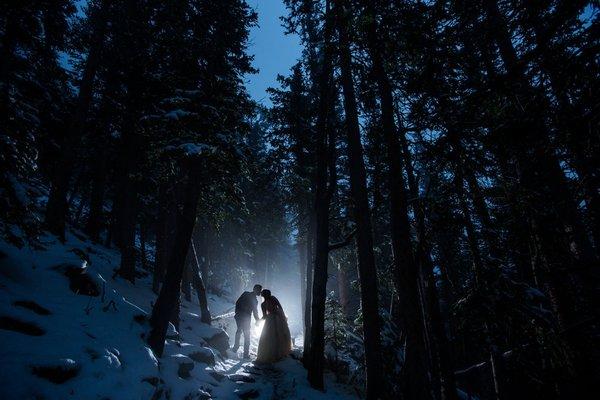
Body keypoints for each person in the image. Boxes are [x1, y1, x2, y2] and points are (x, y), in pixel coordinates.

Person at [256, 289, 292, 363]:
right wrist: (282, 316)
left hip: (272, 320)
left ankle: (275, 354)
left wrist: (259, 321)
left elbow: (265, 316)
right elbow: (280, 308)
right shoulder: (271, 299)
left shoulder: (264, 303)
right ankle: (280, 353)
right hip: (277, 318)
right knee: (278, 335)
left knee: (271, 337)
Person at [232, 284, 262, 359]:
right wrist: (257, 320)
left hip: (240, 316)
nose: (260, 292)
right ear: (255, 289)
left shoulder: (246, 294)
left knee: (239, 331)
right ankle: (245, 354)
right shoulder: (254, 300)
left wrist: (237, 312)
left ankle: (235, 348)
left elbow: (237, 302)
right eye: (259, 290)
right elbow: (255, 311)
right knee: (246, 335)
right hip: (246, 318)